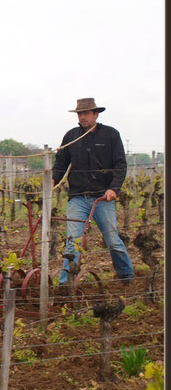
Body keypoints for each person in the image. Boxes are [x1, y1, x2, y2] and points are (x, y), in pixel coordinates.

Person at [52, 98, 134, 286]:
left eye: (86, 113)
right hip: (77, 198)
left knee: (112, 240)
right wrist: (53, 180)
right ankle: (66, 284)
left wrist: (114, 188)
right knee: (72, 242)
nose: (82, 117)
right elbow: (61, 163)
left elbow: (120, 164)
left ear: (96, 114)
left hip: (103, 198)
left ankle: (126, 276)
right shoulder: (71, 136)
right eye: (80, 114)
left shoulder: (111, 135)